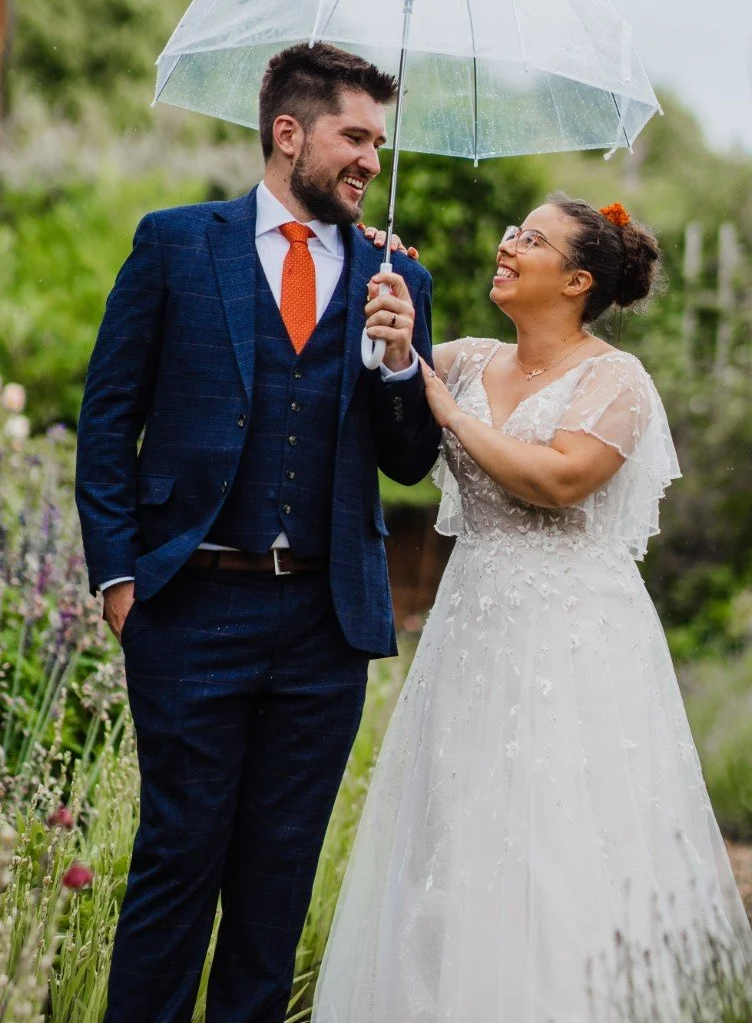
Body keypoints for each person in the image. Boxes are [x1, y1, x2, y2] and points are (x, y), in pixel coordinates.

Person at [313, 197, 752, 1021]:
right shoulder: (469, 359)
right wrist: (386, 282)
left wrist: (446, 410)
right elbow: (385, 376)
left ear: (578, 280)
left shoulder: (616, 379)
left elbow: (557, 478)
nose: (508, 245)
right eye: (513, 230)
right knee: (457, 835)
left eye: (532, 240)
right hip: (471, 628)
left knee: (559, 838)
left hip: (575, 639)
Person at [74, 41, 441, 1023]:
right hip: (190, 601)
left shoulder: (395, 279)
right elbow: (109, 421)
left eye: (378, 140)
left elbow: (408, 461)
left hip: (325, 625)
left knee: (275, 885)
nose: (371, 157)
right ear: (290, 132)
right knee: (178, 862)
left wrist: (403, 363)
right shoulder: (175, 244)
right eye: (354, 136)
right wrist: (120, 580)